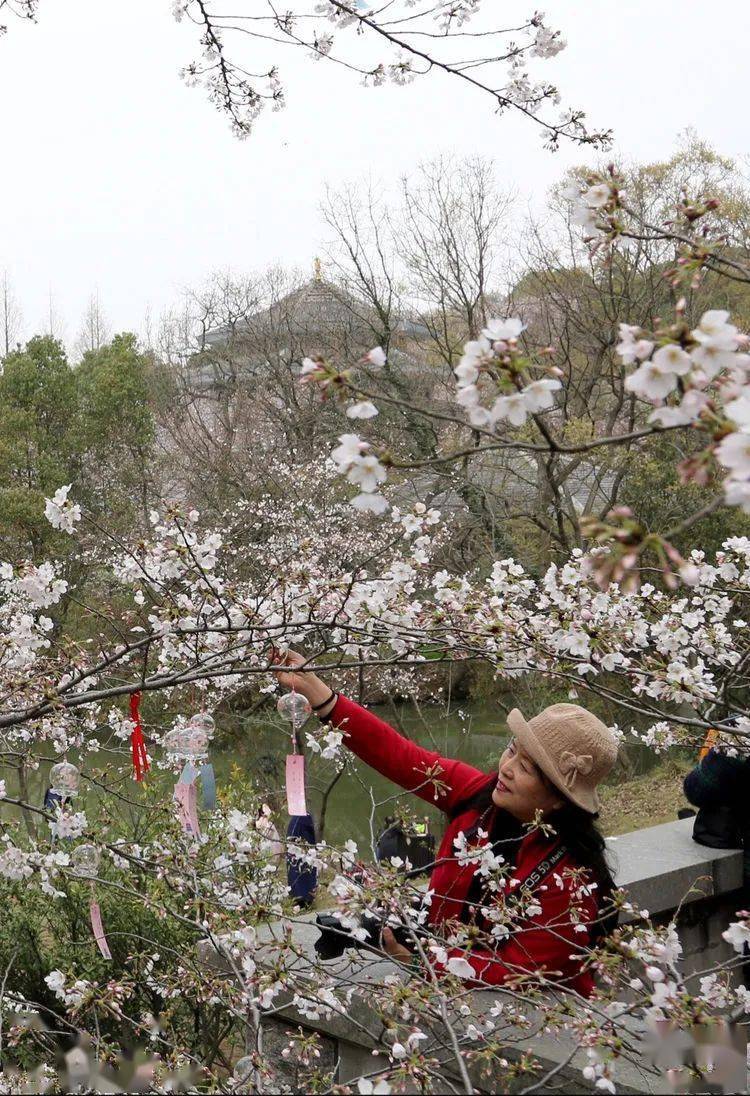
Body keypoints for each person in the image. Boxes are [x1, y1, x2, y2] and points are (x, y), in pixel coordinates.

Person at [273, 651, 619, 997]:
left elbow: (517, 971)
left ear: (558, 797)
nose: (507, 768)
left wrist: (421, 961)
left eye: (526, 768)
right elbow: (397, 755)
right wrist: (320, 694)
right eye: (512, 750)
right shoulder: (477, 794)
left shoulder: (571, 879)